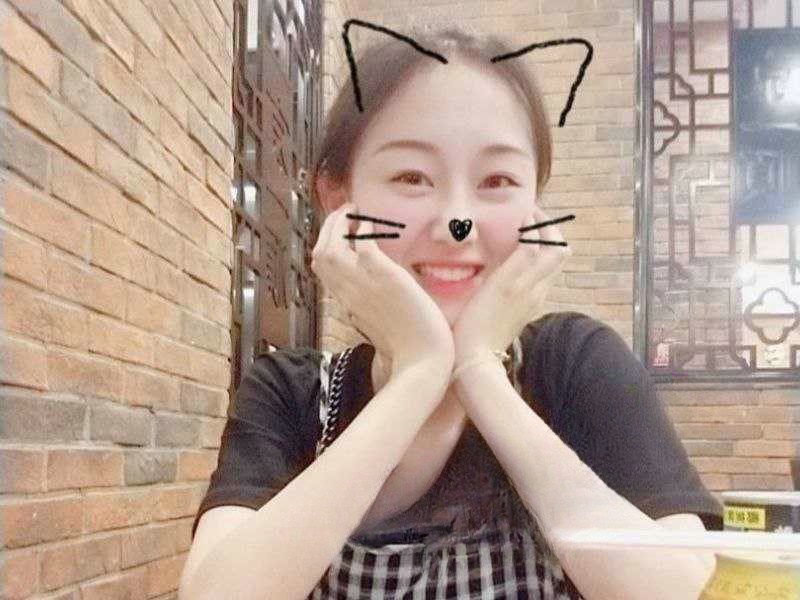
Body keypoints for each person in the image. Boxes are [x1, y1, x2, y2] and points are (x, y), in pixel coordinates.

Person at [179, 26, 723, 600]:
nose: (457, 223)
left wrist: (479, 371)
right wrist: (419, 373)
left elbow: (682, 591)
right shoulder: (290, 393)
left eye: (497, 180)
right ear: (338, 200)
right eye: (412, 177)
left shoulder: (575, 364)